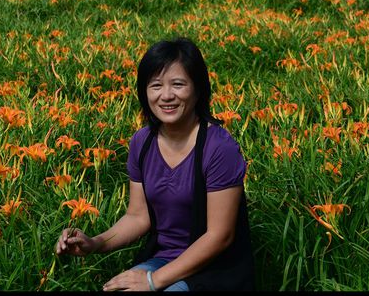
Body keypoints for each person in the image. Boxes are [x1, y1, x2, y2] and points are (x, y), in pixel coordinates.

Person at [56, 37, 255, 291]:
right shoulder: (142, 142)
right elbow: (138, 217)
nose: (166, 96)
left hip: (213, 268)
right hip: (162, 260)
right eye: (156, 86)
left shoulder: (219, 148)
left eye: (178, 84)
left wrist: (152, 281)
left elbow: (219, 236)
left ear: (198, 88)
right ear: (144, 92)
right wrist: (95, 243)